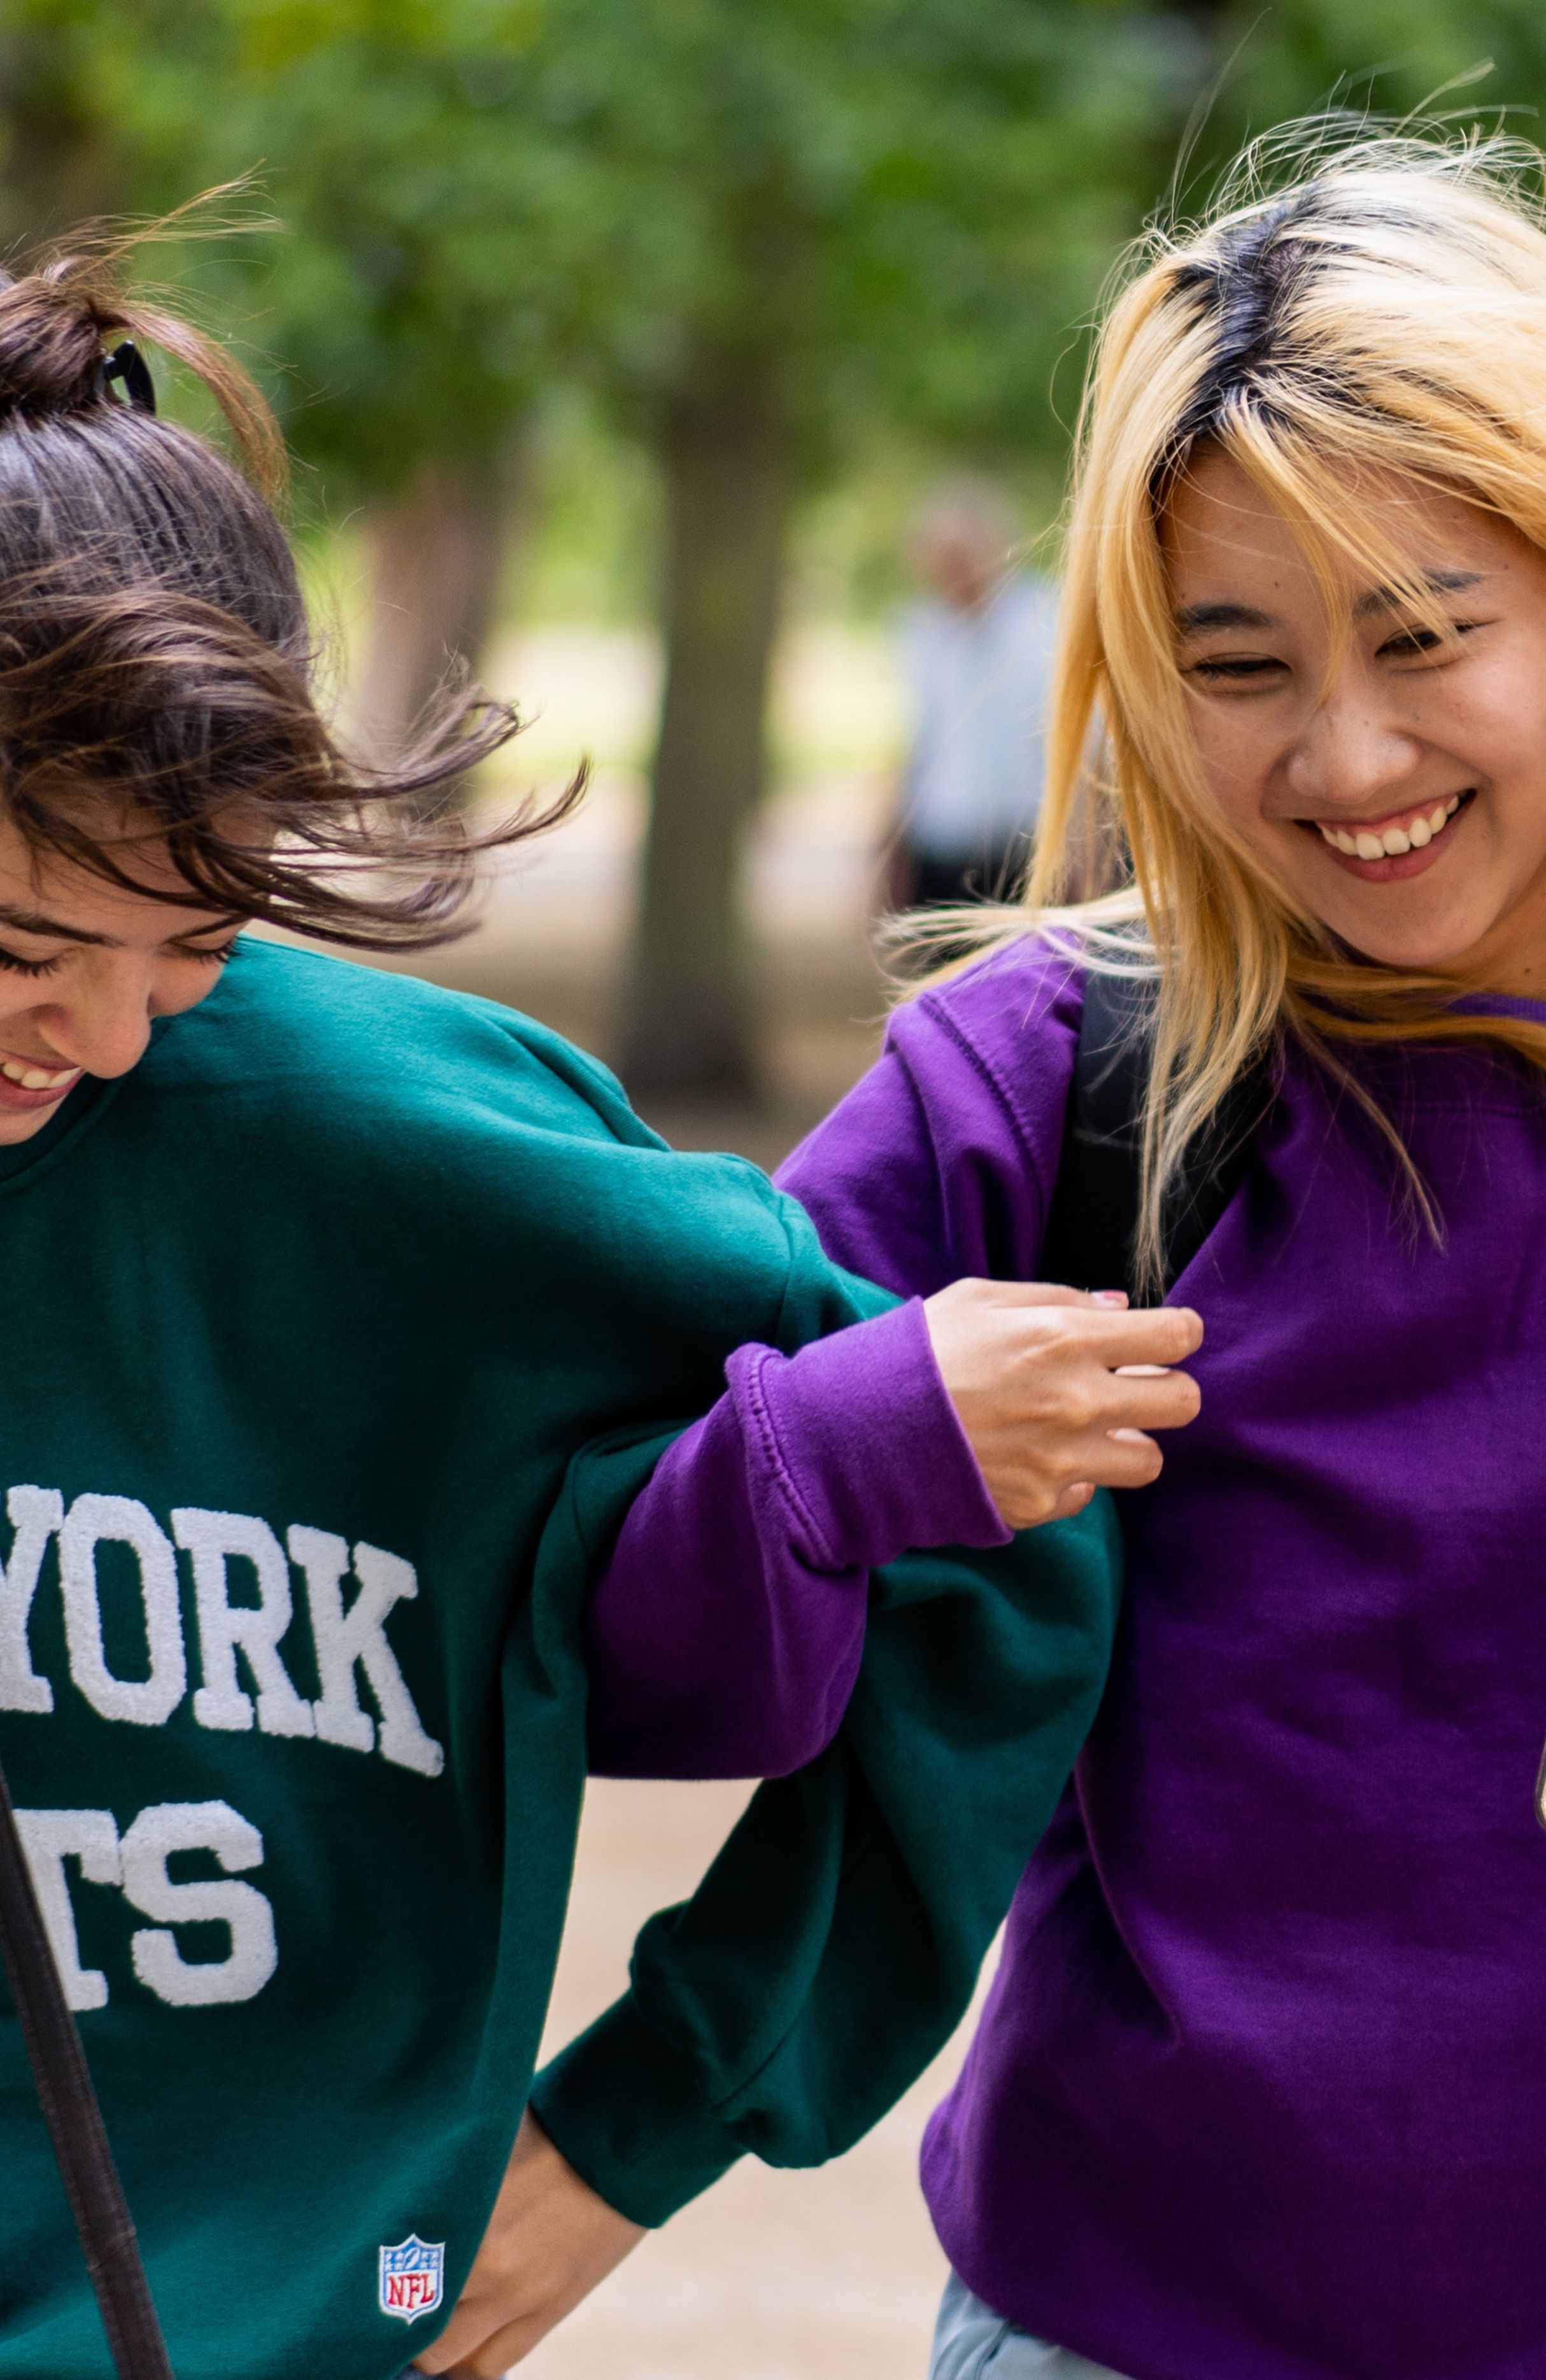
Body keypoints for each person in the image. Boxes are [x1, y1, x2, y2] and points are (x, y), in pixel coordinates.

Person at [560, 131, 1546, 2380]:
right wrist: (847, 1447)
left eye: (1427, 637)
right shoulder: (1040, 1082)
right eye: (1235, 664)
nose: (1344, 757)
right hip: (1139, 2334)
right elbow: (620, 1653)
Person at [0, 246, 1168, 2378]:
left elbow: (1001, 1537)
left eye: (187, 949)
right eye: (19, 949)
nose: (105, 1033)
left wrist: (642, 2118)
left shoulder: (398, 1147)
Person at [886, 478, 1059, 910]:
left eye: (961, 557)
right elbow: (918, 745)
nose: (952, 572)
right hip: (941, 847)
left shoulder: (1044, 621)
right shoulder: (923, 632)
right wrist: (893, 848)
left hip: (1022, 850)